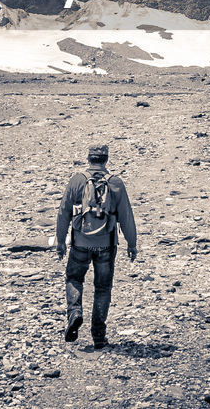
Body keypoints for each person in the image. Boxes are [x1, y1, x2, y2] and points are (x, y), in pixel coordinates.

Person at [55, 143, 138, 349]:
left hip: (80, 243)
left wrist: (60, 242)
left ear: (88, 158)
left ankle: (75, 313)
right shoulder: (116, 183)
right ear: (106, 160)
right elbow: (126, 216)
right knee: (102, 288)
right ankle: (99, 336)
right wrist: (132, 243)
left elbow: (63, 211)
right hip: (106, 245)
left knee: (74, 278)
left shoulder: (77, 180)